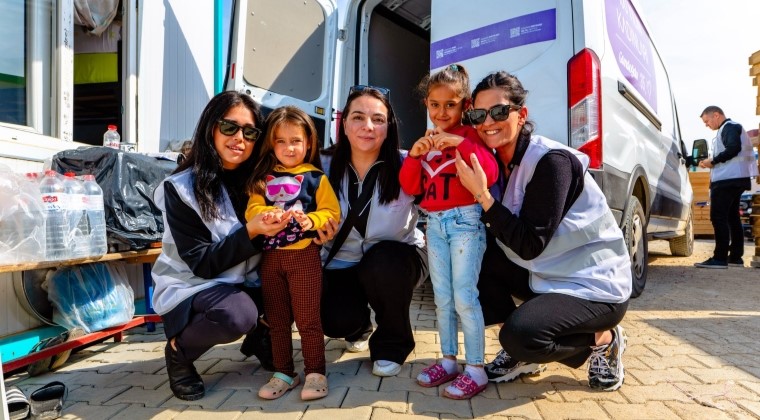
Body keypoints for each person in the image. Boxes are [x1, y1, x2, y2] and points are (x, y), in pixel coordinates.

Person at [150, 91, 336, 401]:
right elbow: (202, 263)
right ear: (211, 127)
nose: (240, 138)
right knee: (237, 315)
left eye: (250, 132)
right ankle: (179, 354)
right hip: (195, 284)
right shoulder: (182, 188)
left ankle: (261, 335)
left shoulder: (264, 177)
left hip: (252, 276)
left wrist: (318, 231)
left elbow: (309, 218)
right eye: (229, 127)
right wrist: (252, 230)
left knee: (306, 291)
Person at [454, 71, 632, 392]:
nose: (487, 121)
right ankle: (524, 353)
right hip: (549, 275)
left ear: (521, 115)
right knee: (470, 255)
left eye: (499, 111)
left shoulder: (551, 162)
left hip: (595, 286)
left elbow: (529, 244)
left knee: (521, 335)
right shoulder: (494, 163)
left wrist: (483, 196)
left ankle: (603, 339)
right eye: (478, 114)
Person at [398, 64, 498, 399]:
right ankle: (448, 360)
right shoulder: (426, 142)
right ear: (427, 104)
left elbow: (491, 172)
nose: (442, 112)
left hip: (465, 224)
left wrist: (459, 142)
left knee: (464, 297)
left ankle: (476, 369)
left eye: (450, 104)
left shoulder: (470, 138)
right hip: (434, 225)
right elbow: (411, 186)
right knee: (441, 299)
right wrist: (414, 155)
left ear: (465, 105)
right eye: (435, 104)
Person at [320, 85, 428, 377]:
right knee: (334, 321)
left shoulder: (408, 163)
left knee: (383, 262)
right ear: (344, 124)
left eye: (378, 119)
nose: (368, 127)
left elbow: (441, 205)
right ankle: (359, 326)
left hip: (396, 258)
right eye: (358, 117)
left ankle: (393, 344)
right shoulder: (321, 165)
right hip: (342, 260)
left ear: (388, 125)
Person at [245, 106, 340, 400]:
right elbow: (253, 208)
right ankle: (284, 371)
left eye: (296, 140)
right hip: (271, 261)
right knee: (276, 318)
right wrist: (266, 215)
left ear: (309, 142)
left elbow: (331, 211)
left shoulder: (315, 178)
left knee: (308, 318)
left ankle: (315, 372)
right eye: (281, 141)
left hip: (304, 258)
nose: (289, 148)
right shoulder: (262, 176)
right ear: (271, 144)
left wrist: (312, 220)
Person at [695, 106, 758, 269]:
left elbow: (733, 148)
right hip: (736, 179)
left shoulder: (729, 127)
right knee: (732, 218)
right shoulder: (730, 128)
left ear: (716, 115)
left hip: (727, 181)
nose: (706, 125)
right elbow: (731, 150)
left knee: (718, 217)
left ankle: (719, 258)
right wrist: (711, 161)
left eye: (707, 121)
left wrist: (713, 161)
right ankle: (735, 257)